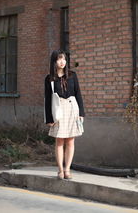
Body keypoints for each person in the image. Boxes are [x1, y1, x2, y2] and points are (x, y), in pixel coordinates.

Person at [44, 50, 84, 180]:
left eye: (64, 59)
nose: (62, 62)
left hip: (72, 108)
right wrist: (49, 118)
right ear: (54, 61)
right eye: (59, 59)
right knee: (59, 140)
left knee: (71, 141)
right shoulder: (49, 78)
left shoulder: (72, 75)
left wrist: (81, 113)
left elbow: (78, 94)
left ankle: (68, 170)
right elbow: (47, 99)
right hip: (58, 110)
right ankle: (60, 170)